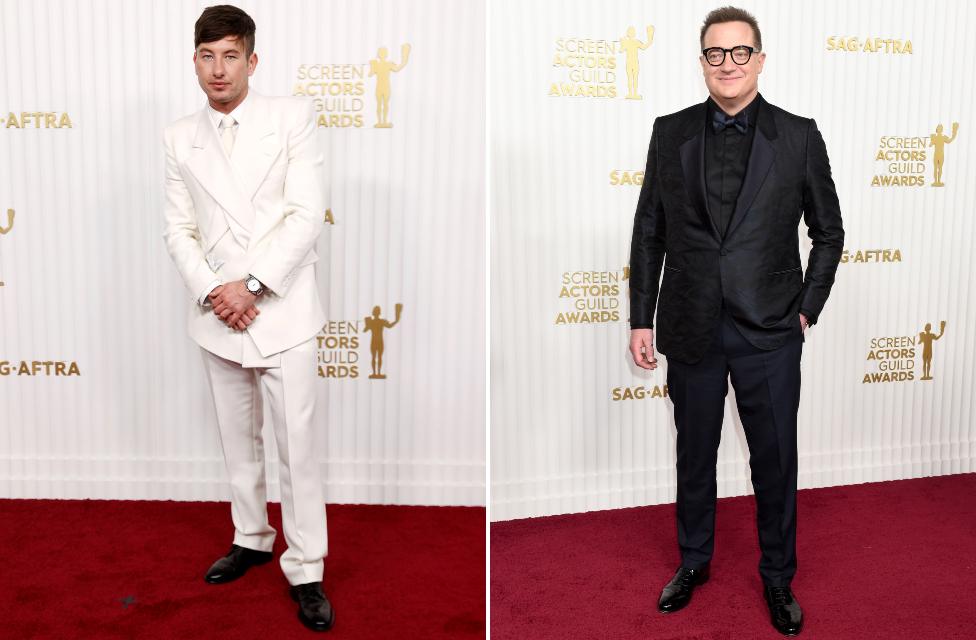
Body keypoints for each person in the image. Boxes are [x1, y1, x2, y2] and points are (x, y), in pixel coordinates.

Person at [627, 7, 844, 636]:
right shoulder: (670, 133)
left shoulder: (798, 135)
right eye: (716, 53)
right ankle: (694, 562)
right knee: (694, 455)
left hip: (770, 331)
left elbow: (828, 232)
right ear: (702, 61)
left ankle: (778, 577)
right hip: (690, 325)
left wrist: (807, 306)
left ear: (760, 59)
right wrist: (643, 318)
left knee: (774, 460)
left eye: (740, 52)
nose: (728, 64)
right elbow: (649, 232)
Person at [162, 5, 334, 632]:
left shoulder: (293, 117)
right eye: (207, 56)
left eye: (230, 55)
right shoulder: (179, 135)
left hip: (279, 307)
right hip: (218, 314)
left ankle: (307, 565)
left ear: (252, 61)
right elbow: (177, 229)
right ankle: (251, 537)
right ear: (194, 61)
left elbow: (306, 213)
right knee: (237, 443)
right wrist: (215, 291)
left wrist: (253, 286)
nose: (218, 69)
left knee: (298, 447)